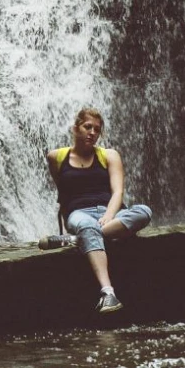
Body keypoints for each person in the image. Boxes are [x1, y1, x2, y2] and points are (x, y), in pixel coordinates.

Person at [40, 108, 152, 313]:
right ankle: (108, 293)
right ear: (75, 128)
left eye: (97, 130)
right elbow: (63, 193)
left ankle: (79, 239)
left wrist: (109, 215)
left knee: (144, 211)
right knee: (86, 225)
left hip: (111, 213)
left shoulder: (109, 155)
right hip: (79, 213)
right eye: (87, 127)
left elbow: (118, 192)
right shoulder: (56, 157)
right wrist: (68, 220)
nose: (92, 132)